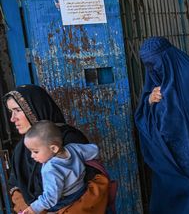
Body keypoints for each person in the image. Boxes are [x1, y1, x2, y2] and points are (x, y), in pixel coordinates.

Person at [134, 37, 189, 214]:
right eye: (148, 65)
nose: (153, 69)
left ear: (166, 59)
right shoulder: (156, 82)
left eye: (155, 63)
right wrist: (149, 101)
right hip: (170, 167)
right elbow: (143, 121)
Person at [3, 85, 109, 214]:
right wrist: (26, 208)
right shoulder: (22, 149)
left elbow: (95, 188)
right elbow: (15, 185)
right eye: (11, 112)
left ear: (34, 109)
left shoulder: (68, 139)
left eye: (17, 110)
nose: (12, 119)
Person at [21, 120, 99, 214]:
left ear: (54, 148)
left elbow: (51, 197)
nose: (32, 156)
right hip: (82, 190)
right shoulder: (73, 148)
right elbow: (94, 150)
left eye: (35, 151)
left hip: (66, 200)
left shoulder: (50, 168)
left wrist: (34, 208)